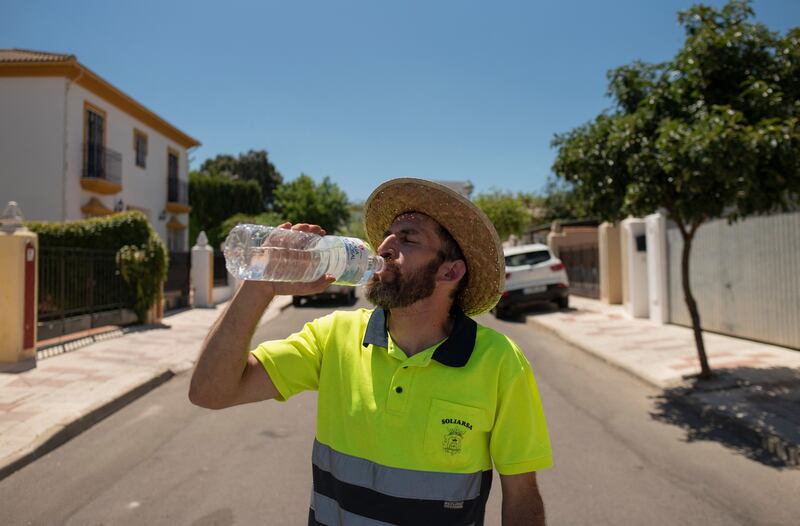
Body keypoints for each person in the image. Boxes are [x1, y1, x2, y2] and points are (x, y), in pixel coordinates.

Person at [190, 178, 553, 526]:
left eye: (408, 239)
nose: (385, 247)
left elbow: (521, 495)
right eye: (387, 237)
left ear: (450, 271)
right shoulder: (333, 336)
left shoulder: (500, 360)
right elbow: (210, 392)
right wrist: (258, 287)